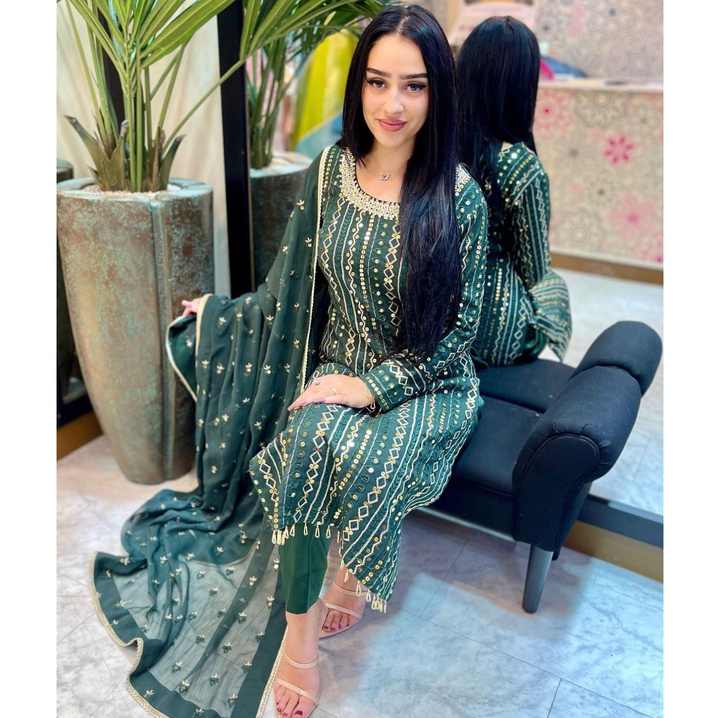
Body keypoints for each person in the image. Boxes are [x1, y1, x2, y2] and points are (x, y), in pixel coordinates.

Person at [92, 5, 487, 718]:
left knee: (362, 455)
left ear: (439, 93)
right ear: (358, 85)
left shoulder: (459, 198)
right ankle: (299, 639)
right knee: (308, 438)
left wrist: (371, 387)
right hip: (339, 364)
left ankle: (350, 572)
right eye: (377, 82)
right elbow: (288, 281)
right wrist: (220, 313)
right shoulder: (332, 172)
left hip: (426, 384)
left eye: (414, 86)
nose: (392, 105)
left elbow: (459, 336)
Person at [457, 15, 572, 367]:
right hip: (494, 333)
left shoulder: (433, 147)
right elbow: (535, 268)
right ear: (524, 85)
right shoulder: (519, 164)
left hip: (430, 323)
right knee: (553, 288)